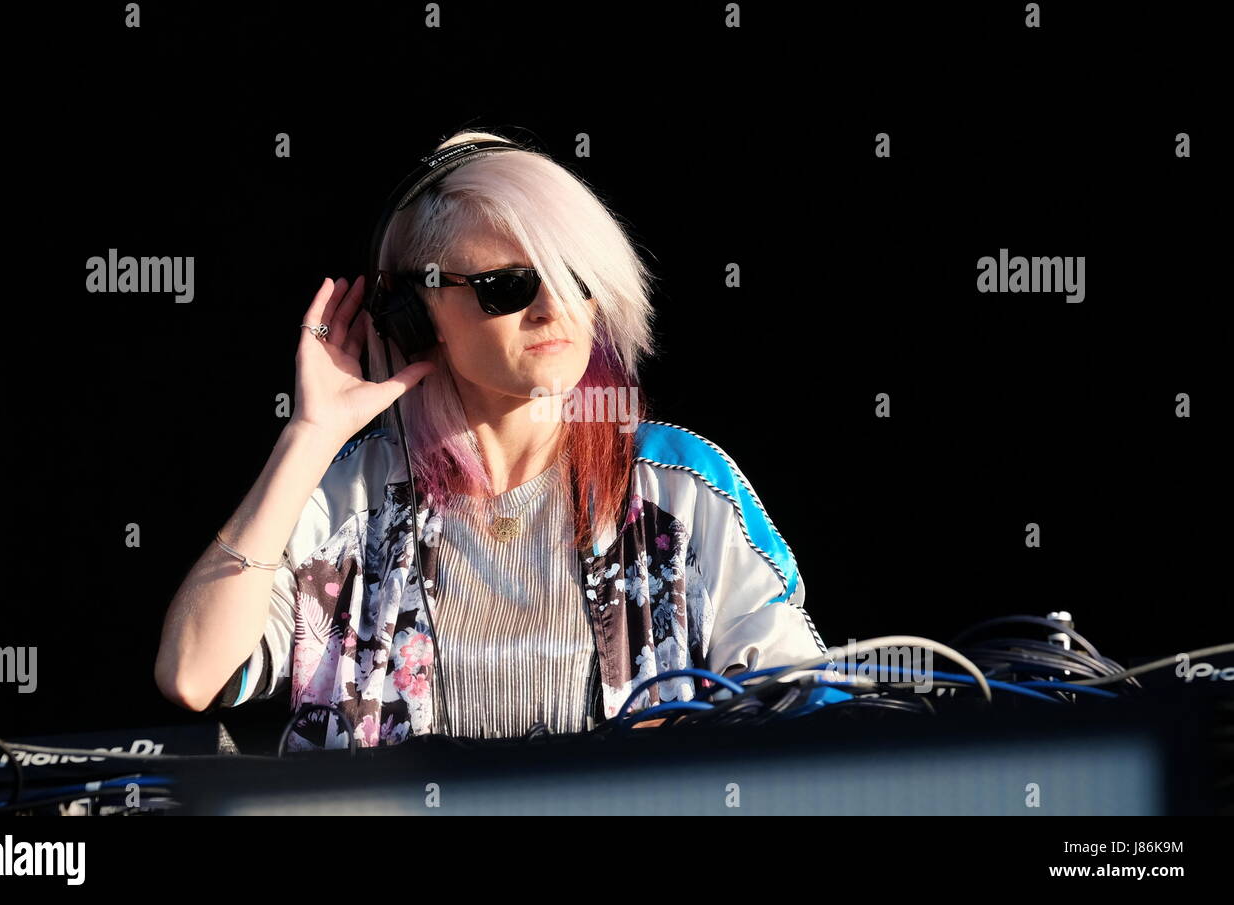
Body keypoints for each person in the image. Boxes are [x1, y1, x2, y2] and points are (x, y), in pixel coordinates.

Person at [154, 130, 830, 751]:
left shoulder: (681, 487)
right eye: (506, 286)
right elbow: (193, 673)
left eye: (575, 276)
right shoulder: (346, 499)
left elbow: (813, 712)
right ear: (416, 315)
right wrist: (308, 436)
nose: (552, 307)